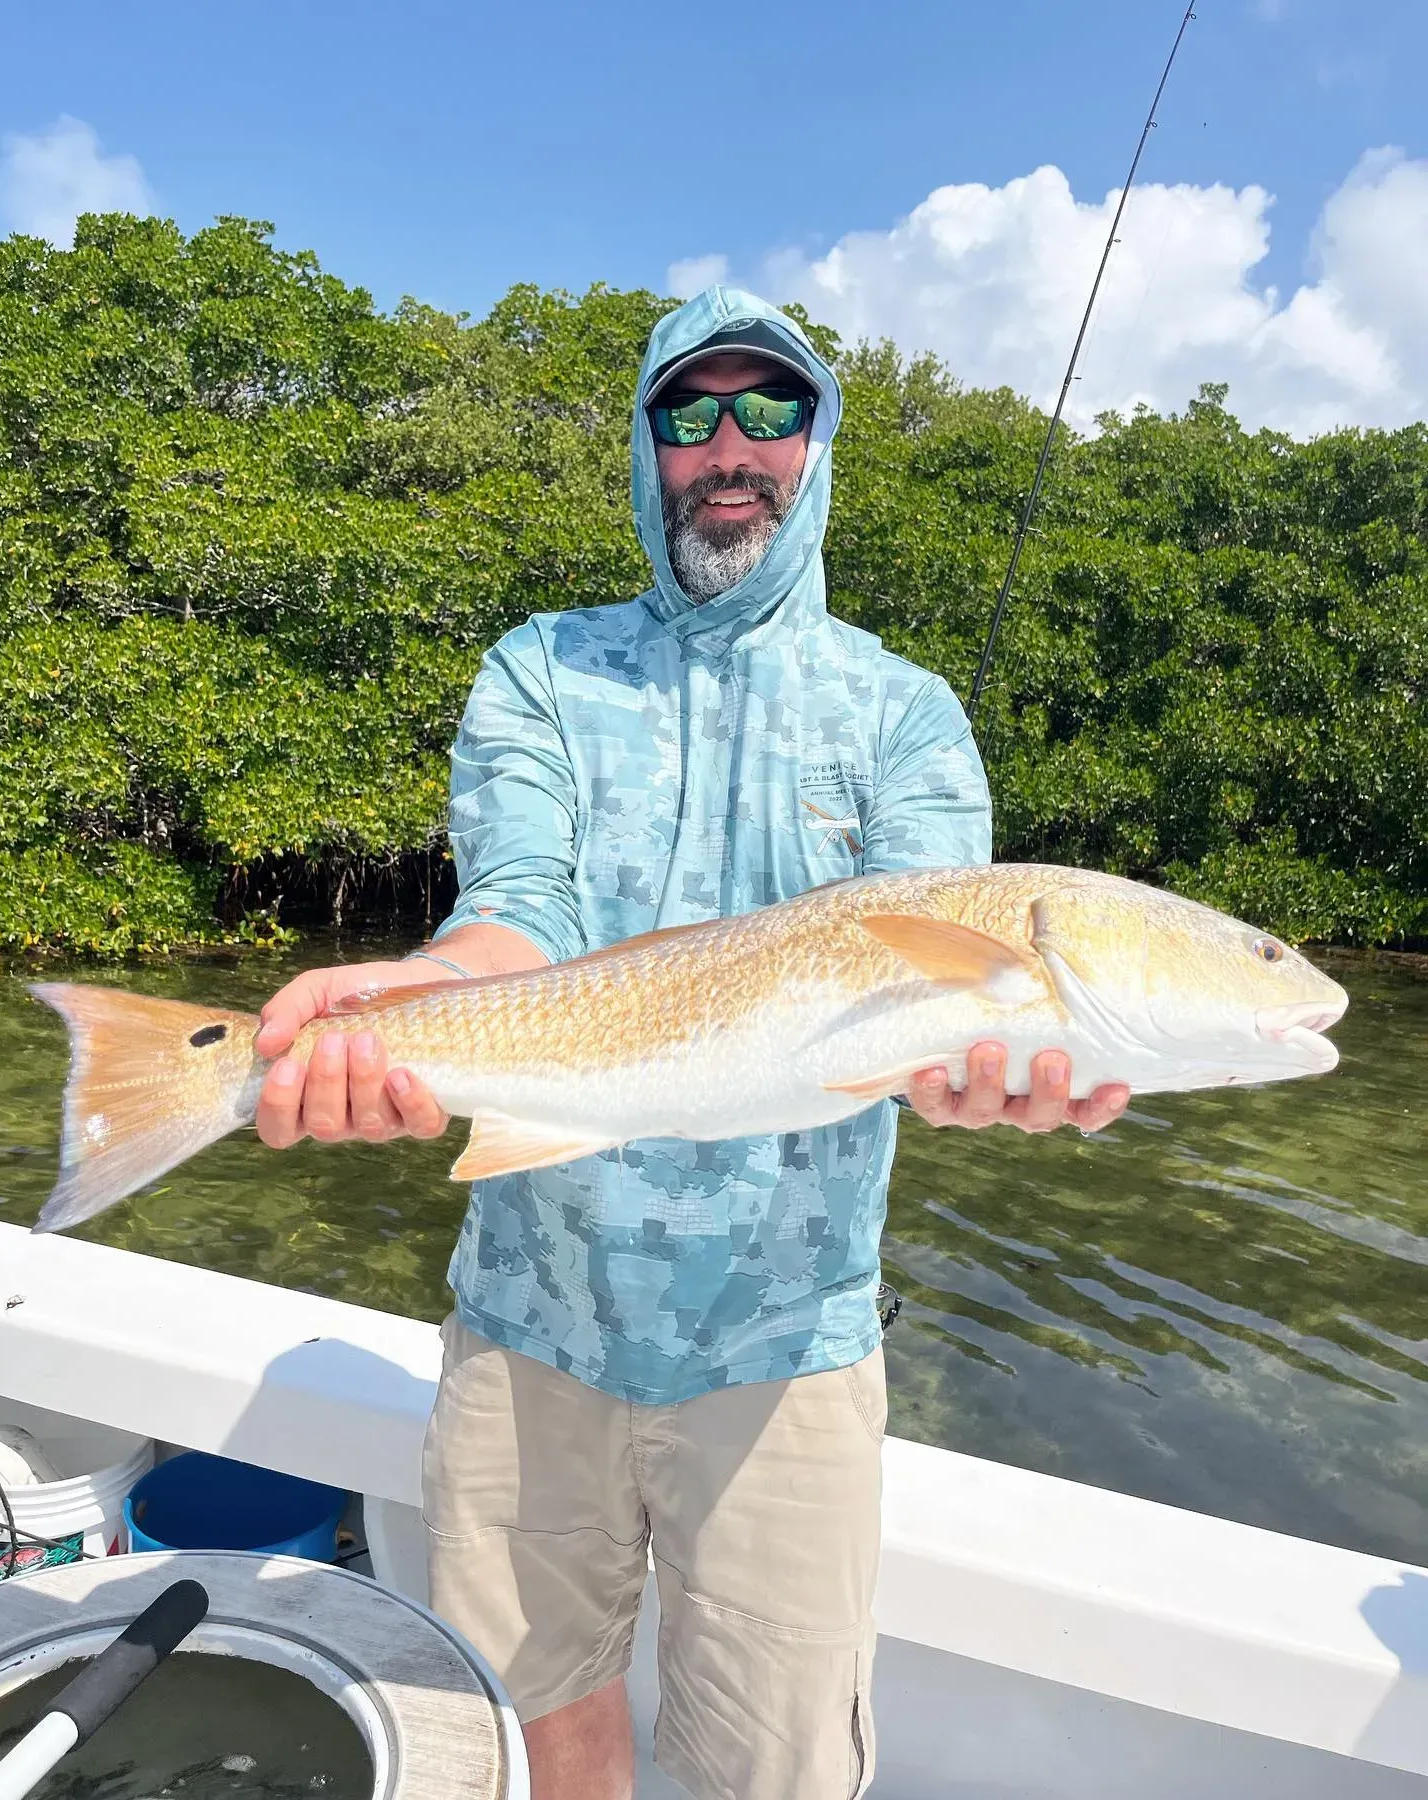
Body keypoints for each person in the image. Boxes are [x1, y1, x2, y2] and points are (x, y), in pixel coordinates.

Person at [253, 288, 1130, 1799]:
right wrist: (413, 989)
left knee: (777, 1776)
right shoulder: (542, 668)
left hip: (785, 1354)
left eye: (770, 410)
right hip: (531, 1327)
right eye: (690, 413)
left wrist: (992, 1065)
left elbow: (946, 988)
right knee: (537, 1738)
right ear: (648, 448)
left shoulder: (907, 718)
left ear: (820, 443)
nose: (732, 448)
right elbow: (516, 906)